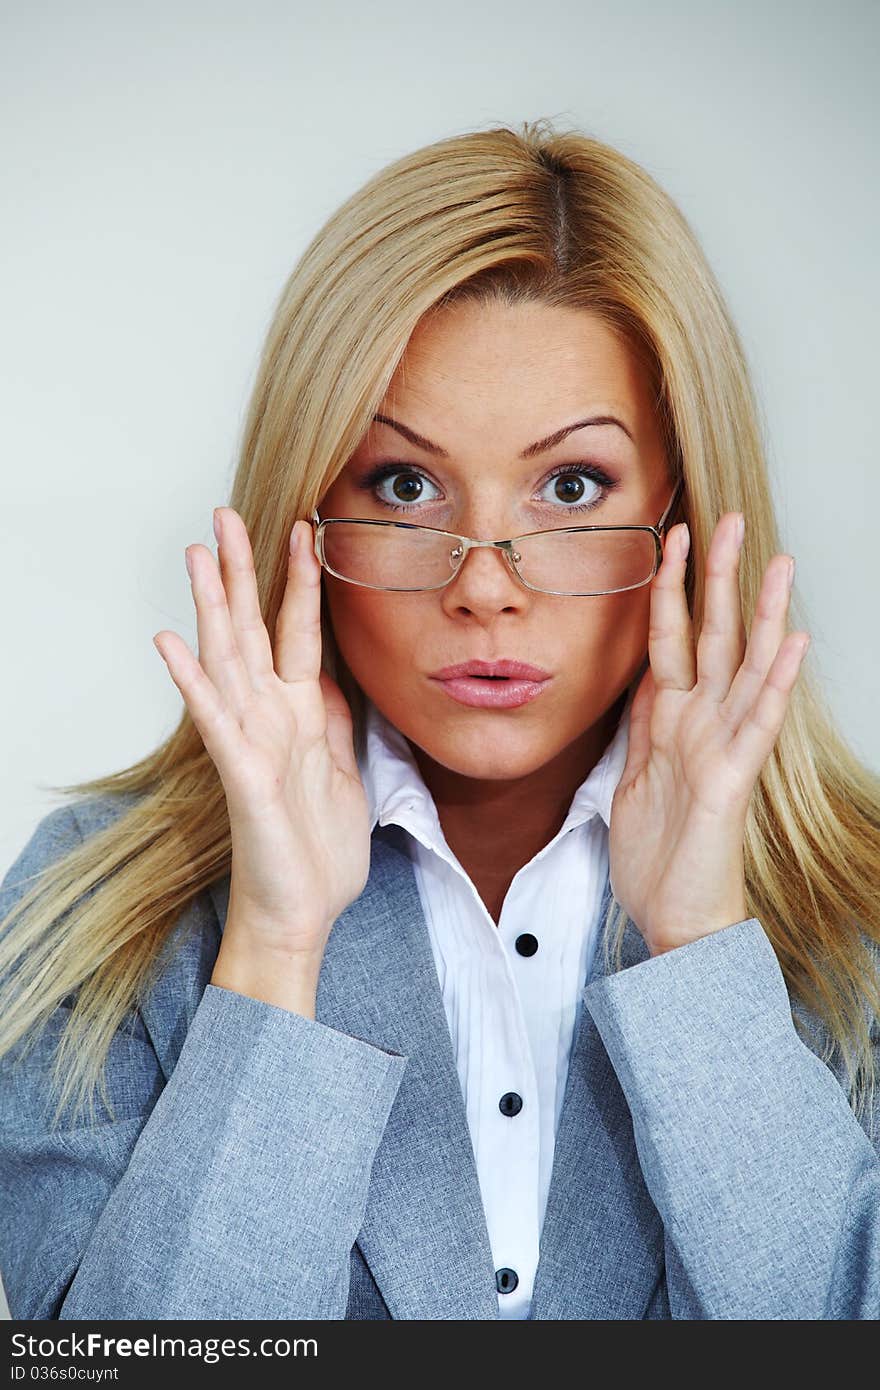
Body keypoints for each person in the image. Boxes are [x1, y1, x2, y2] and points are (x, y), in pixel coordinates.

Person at [1, 118, 879, 1322]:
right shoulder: (86, 917)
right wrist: (271, 952)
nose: (482, 583)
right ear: (307, 510)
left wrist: (704, 950)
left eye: (572, 487)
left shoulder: (862, 917)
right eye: (403, 485)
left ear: (686, 507)